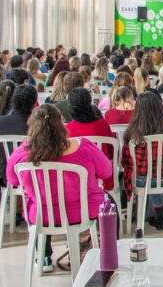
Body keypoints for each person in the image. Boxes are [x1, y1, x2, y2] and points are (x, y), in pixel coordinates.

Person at [6, 104, 113, 272]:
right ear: (62, 123)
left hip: (43, 216)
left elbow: (12, 180)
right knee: (110, 203)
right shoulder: (83, 146)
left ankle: (44, 257)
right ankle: (109, 254)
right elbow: (107, 171)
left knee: (42, 200)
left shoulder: (21, 155)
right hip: (84, 212)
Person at [122, 92, 163, 230]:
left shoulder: (132, 131)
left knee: (138, 175)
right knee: (156, 175)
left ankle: (145, 214)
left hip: (141, 180)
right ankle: (159, 213)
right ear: (160, 107)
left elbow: (126, 161)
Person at [0, 84, 37, 186]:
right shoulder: (38, 124)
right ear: (34, 102)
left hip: (5, 177)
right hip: (32, 179)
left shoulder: (0, 122)